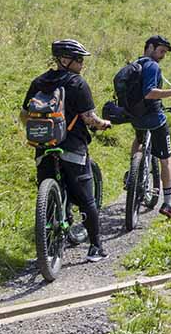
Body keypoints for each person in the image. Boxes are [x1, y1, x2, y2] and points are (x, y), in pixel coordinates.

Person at [22, 39, 112, 262]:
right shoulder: (77, 83)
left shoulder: (39, 81)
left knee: (48, 192)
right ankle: (96, 247)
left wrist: (42, 132)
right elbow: (89, 118)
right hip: (73, 148)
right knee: (87, 199)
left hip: (44, 148)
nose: (82, 63)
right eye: (78, 59)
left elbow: (24, 114)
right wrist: (104, 124)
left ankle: (48, 246)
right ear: (64, 60)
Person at [130, 34, 171, 219]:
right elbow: (149, 93)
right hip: (154, 119)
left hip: (135, 117)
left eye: (165, 52)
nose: (163, 55)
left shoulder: (134, 65)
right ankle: (169, 203)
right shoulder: (152, 66)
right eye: (161, 50)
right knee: (166, 159)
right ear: (149, 47)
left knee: (139, 140)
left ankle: (132, 174)